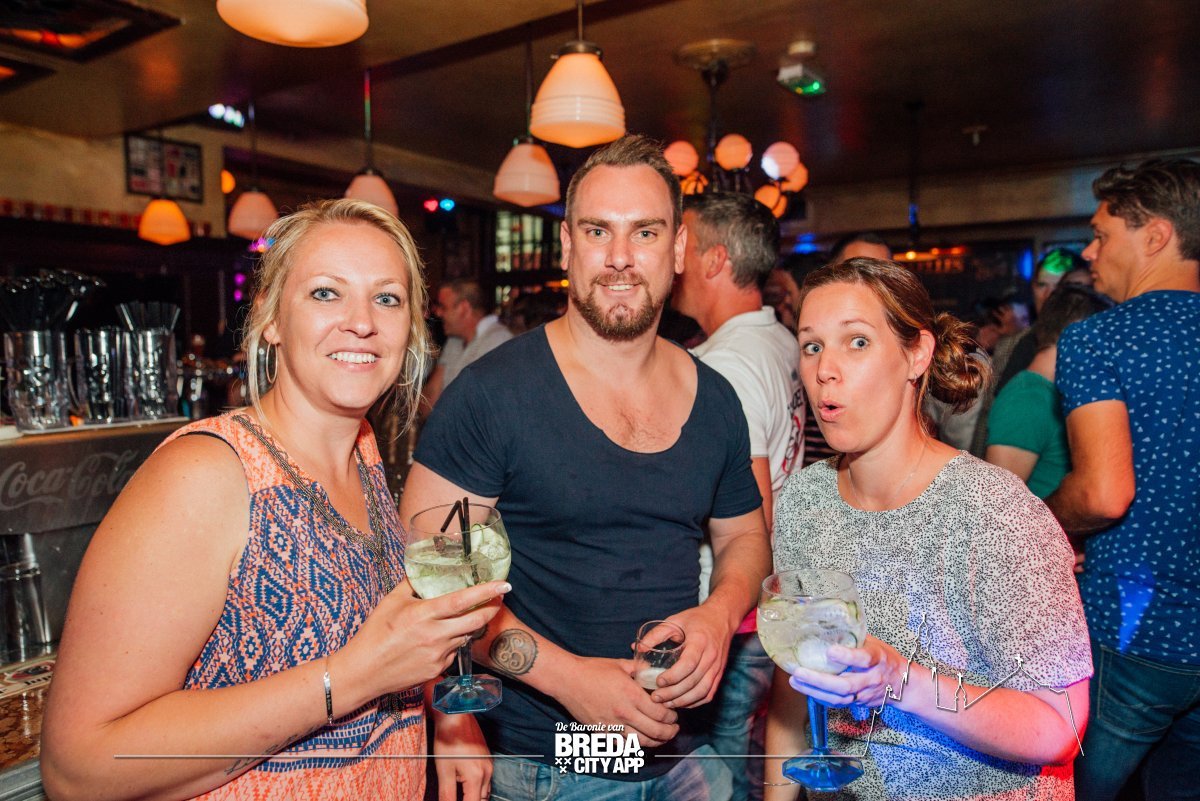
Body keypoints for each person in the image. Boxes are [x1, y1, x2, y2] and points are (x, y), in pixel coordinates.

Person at [40, 199, 510, 801]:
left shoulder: (363, 451)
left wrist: (445, 714)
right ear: (271, 318)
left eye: (387, 299)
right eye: (325, 293)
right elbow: (78, 768)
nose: (362, 322)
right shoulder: (207, 474)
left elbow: (388, 638)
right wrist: (352, 677)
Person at [400, 135, 769, 800]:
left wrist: (719, 614)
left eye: (645, 232)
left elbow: (745, 534)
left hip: (688, 755)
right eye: (599, 231)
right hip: (552, 765)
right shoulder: (491, 395)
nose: (621, 257)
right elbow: (433, 584)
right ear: (568, 245)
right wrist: (569, 679)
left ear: (678, 249)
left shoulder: (717, 398)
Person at [765, 257, 1091, 800]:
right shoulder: (803, 500)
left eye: (858, 342)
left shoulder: (992, 510)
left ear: (917, 354)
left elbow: (1060, 725)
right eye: (812, 345)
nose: (825, 369)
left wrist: (900, 679)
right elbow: (793, 688)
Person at [1047, 158, 1200, 801]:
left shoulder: (1100, 339)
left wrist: (1042, 519)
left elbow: (1105, 493)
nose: (1089, 252)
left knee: (1065, 787)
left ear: (1156, 236)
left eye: (1101, 235)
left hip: (1136, 628)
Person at [671, 191, 804, 800]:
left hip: (731, 606)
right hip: (764, 603)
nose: (672, 257)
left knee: (715, 767)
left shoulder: (726, 365)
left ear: (714, 260)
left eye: (683, 243)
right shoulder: (779, 340)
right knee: (745, 754)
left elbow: (753, 514)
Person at [985, 284, 1113, 498]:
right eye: (1103, 340)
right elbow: (998, 503)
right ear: (1077, 336)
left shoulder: (1054, 392)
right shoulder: (1027, 399)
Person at [423, 277, 513, 407]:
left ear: (464, 308)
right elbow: (431, 397)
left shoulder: (499, 341)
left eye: (443, 307)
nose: (438, 313)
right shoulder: (454, 341)